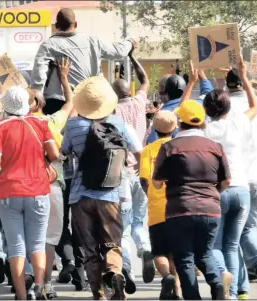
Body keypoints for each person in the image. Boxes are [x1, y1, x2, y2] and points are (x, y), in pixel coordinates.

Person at [182, 58, 257, 299]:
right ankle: (233, 295)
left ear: (206, 110)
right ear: (227, 108)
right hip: (242, 191)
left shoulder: (204, 129)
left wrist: (192, 82)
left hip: (216, 193)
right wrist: (245, 78)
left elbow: (180, 112)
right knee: (232, 246)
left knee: (213, 247)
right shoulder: (237, 123)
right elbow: (254, 106)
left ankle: (223, 277)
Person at [62, 76, 143, 300]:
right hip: (110, 194)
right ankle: (115, 273)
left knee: (89, 249)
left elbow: (64, 151)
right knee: (112, 244)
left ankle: (98, 293)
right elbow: (139, 151)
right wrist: (132, 171)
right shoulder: (117, 124)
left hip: (80, 196)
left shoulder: (73, 126)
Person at [152, 99, 231, 300]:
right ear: (202, 121)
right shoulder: (216, 147)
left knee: (185, 258)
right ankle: (216, 284)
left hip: (180, 210)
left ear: (180, 122)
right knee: (205, 254)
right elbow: (226, 181)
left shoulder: (169, 147)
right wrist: (212, 195)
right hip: (211, 209)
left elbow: (157, 183)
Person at [0, 86, 59, 300]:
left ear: (6, 105)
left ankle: (20, 294)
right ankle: (38, 287)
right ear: (27, 104)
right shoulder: (40, 123)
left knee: (16, 248)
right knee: (37, 244)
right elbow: (54, 154)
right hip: (38, 190)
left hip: (8, 192)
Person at [225, 67, 257, 297]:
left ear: (226, 85)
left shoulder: (224, 106)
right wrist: (245, 76)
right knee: (249, 227)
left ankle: (246, 281)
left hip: (236, 180)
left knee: (234, 236)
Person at [30, 7, 136, 115]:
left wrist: (36, 101)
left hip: (58, 103)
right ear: (75, 24)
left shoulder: (48, 45)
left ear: (56, 26)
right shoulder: (93, 41)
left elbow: (39, 76)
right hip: (89, 102)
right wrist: (130, 42)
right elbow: (118, 51)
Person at [29, 56, 75, 299]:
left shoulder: (11, 124)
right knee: (48, 240)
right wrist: (64, 78)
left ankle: (29, 281)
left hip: (23, 187)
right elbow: (71, 103)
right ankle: (45, 283)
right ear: (40, 103)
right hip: (51, 185)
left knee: (27, 239)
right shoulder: (52, 122)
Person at [113, 48, 155, 284]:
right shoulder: (140, 102)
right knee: (140, 220)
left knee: (124, 226)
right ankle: (145, 248)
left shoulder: (113, 112)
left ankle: (127, 266)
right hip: (143, 170)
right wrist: (132, 58)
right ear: (128, 90)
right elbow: (146, 80)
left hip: (122, 175)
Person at [139, 110, 180, 299]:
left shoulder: (148, 150)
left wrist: (152, 195)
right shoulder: (179, 146)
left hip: (157, 209)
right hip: (179, 207)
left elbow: (144, 179)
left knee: (159, 251)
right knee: (177, 254)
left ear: (155, 128)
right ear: (175, 127)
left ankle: (166, 276)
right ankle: (178, 291)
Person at [146, 71, 214, 144]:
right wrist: (200, 73)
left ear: (163, 93)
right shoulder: (196, 108)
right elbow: (209, 95)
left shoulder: (162, 117)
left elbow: (153, 144)